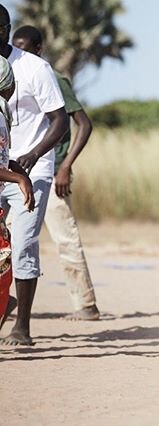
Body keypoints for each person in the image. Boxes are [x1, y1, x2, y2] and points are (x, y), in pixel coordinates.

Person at [11, 25, 100, 321]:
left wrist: (65, 166)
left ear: (38, 49)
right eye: (16, 46)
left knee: (64, 238)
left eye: (26, 48)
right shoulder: (8, 72)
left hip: (46, 171)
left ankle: (86, 304)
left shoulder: (51, 78)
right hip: (14, 171)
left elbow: (81, 123)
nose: (19, 53)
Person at [0, 5, 69, 346]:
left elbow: (61, 120)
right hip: (0, 167)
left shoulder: (34, 67)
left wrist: (32, 155)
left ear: (5, 29)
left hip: (31, 166)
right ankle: (5, 300)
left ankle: (22, 326)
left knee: (24, 242)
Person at [0, 55, 35, 331]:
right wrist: (18, 180)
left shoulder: (2, 113)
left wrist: (20, 175)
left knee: (4, 267)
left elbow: (2, 159)